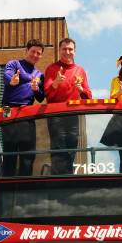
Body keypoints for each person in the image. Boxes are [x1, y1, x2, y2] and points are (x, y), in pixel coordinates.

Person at [44, 38, 92, 174]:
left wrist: (80, 89)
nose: (67, 52)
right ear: (59, 51)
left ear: (75, 52)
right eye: (64, 49)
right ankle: (57, 184)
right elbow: (47, 94)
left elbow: (88, 95)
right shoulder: (51, 68)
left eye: (70, 49)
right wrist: (56, 83)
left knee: (72, 149)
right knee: (58, 150)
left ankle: (67, 179)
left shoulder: (80, 70)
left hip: (73, 116)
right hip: (55, 116)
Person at [1, 39, 45, 176]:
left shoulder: (39, 75)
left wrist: (36, 89)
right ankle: (6, 188)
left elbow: (41, 98)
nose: (35, 55)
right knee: (9, 152)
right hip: (8, 109)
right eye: (33, 51)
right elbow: (7, 75)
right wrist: (12, 80)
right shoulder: (14, 64)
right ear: (26, 51)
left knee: (28, 153)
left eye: (39, 53)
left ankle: (24, 189)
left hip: (27, 111)